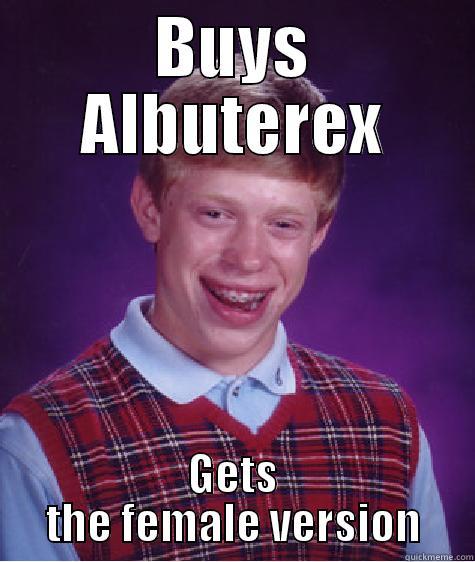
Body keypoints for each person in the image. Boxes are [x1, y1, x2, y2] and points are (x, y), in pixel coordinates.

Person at [0, 60, 450, 560]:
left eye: (283, 224)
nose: (248, 258)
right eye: (215, 214)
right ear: (150, 210)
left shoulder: (387, 424)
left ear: (318, 233)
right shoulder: (38, 447)